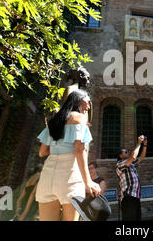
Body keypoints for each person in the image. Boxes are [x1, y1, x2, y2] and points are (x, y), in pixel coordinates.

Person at [35, 90, 100, 221]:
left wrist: (58, 146)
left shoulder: (54, 121)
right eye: (88, 102)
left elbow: (42, 152)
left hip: (47, 177)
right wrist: (88, 182)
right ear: (79, 101)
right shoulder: (79, 118)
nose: (88, 107)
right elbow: (78, 150)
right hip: (70, 177)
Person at [116, 135, 147, 221]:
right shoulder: (120, 164)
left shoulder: (131, 164)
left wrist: (144, 145)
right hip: (128, 197)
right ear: (120, 155)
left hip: (135, 196)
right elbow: (133, 156)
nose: (127, 153)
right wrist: (138, 143)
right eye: (125, 152)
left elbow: (141, 157)